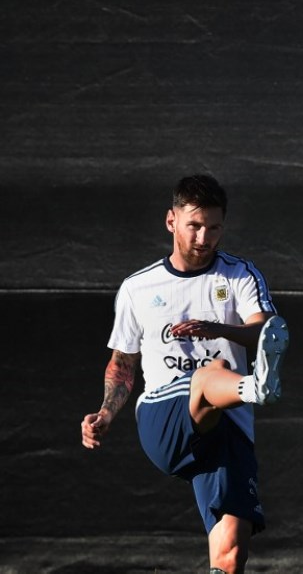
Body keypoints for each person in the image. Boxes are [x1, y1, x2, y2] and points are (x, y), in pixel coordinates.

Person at [80, 174, 289, 574]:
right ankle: (255, 386)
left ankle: (250, 388)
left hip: (227, 427)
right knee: (213, 372)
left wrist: (221, 329)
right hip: (164, 417)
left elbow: (266, 332)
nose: (204, 237)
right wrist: (106, 413)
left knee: (230, 552)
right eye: (194, 225)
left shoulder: (240, 275)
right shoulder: (138, 288)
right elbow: (123, 363)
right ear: (171, 221)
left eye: (213, 227)